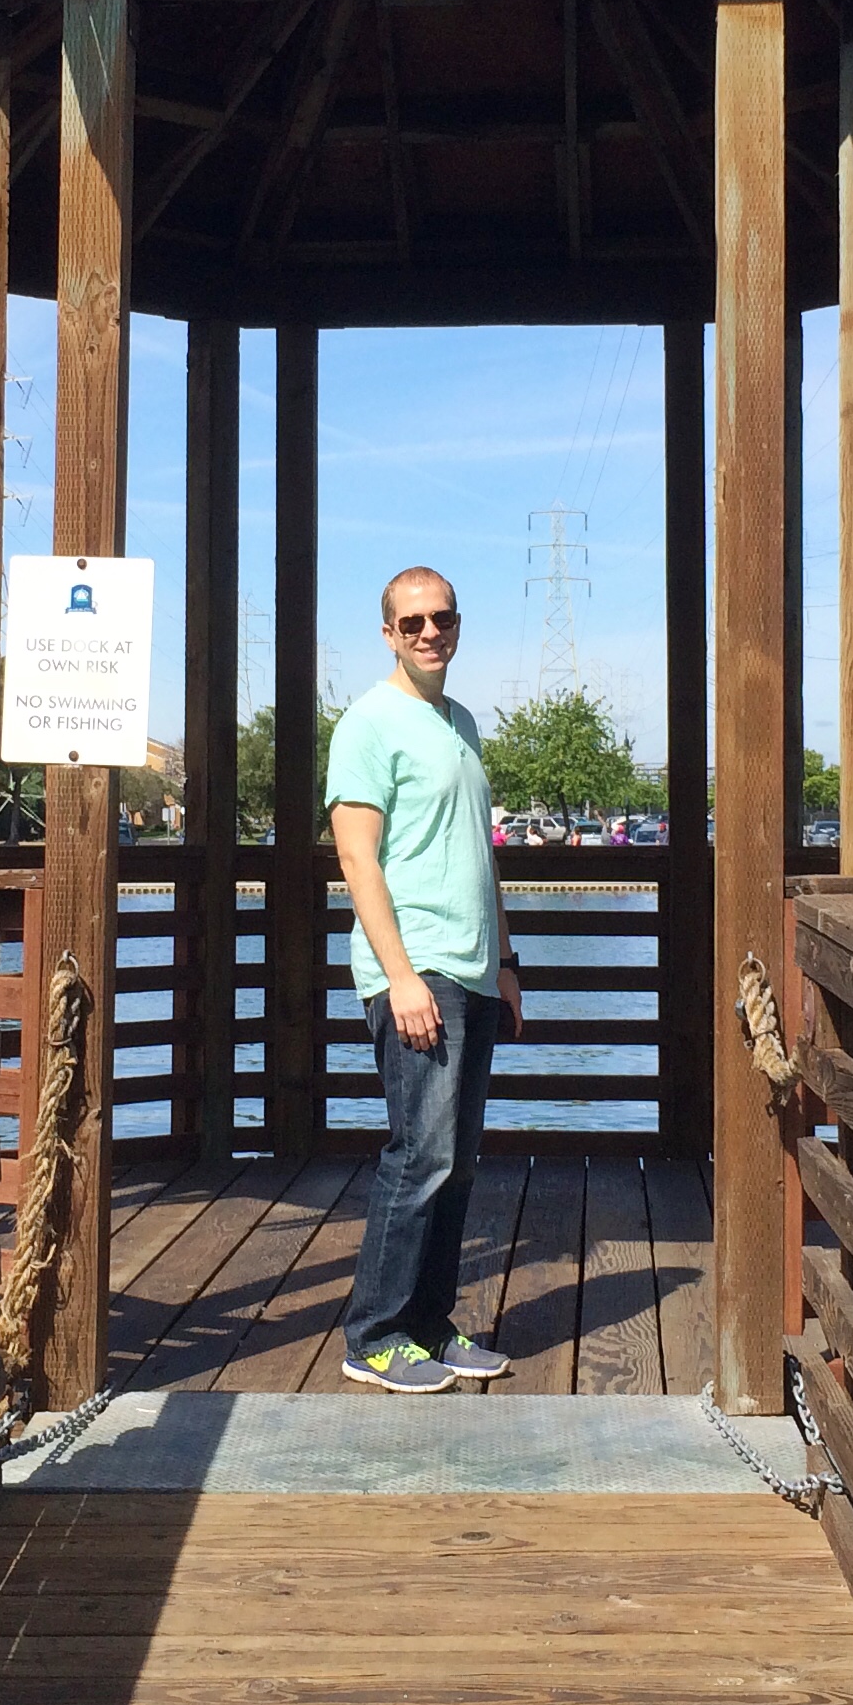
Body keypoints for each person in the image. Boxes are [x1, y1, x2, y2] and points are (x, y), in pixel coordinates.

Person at [327, 565, 522, 1393]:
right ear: (388, 634)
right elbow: (356, 857)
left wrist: (507, 962)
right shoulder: (366, 725)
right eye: (412, 623)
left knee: (459, 1158)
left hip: (475, 968)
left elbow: (480, 857)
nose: (429, 633)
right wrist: (400, 977)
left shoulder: (463, 724)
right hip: (417, 969)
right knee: (421, 1152)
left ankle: (430, 1325)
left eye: (442, 618)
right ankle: (373, 1335)